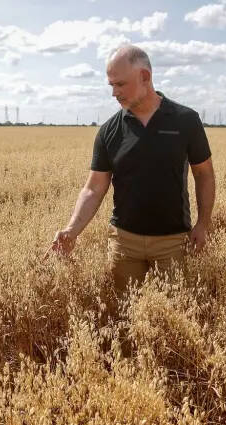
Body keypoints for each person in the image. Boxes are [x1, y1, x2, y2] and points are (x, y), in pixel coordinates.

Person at [46, 44, 216, 297]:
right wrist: (71, 230)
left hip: (172, 243)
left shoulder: (185, 120)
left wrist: (203, 224)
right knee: (123, 315)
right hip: (124, 243)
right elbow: (94, 188)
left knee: (173, 318)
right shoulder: (109, 131)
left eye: (120, 84)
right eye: (111, 85)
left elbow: (204, 174)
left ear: (144, 77)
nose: (114, 93)